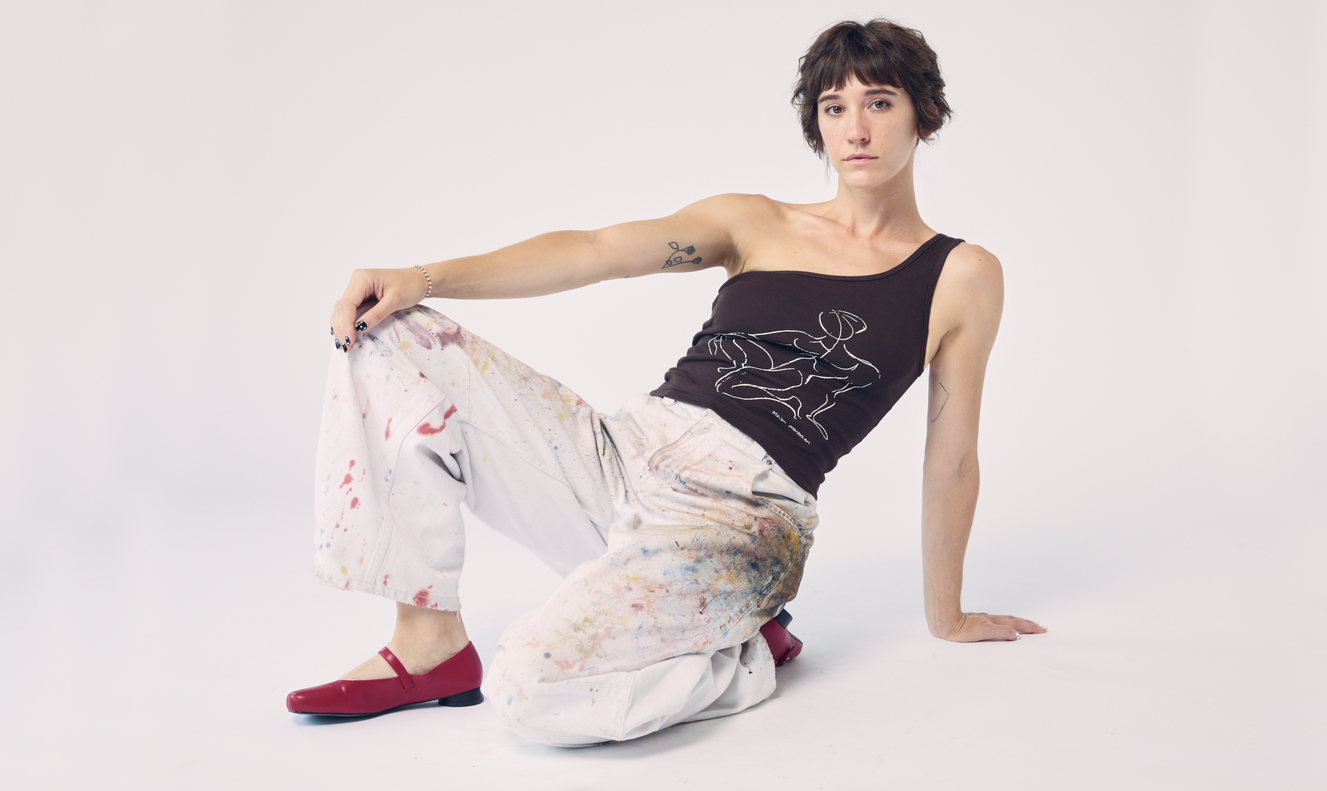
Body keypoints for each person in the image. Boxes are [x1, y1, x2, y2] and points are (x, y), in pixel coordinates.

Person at [286, 18, 1045, 745]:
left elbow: (951, 457)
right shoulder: (755, 222)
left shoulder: (960, 274)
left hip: (738, 519)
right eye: (834, 107)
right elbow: (596, 249)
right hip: (621, 455)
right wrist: (421, 278)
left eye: (879, 103)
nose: (856, 130)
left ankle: (742, 652)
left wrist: (946, 616)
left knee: (526, 688)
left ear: (923, 115)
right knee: (390, 336)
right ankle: (428, 643)